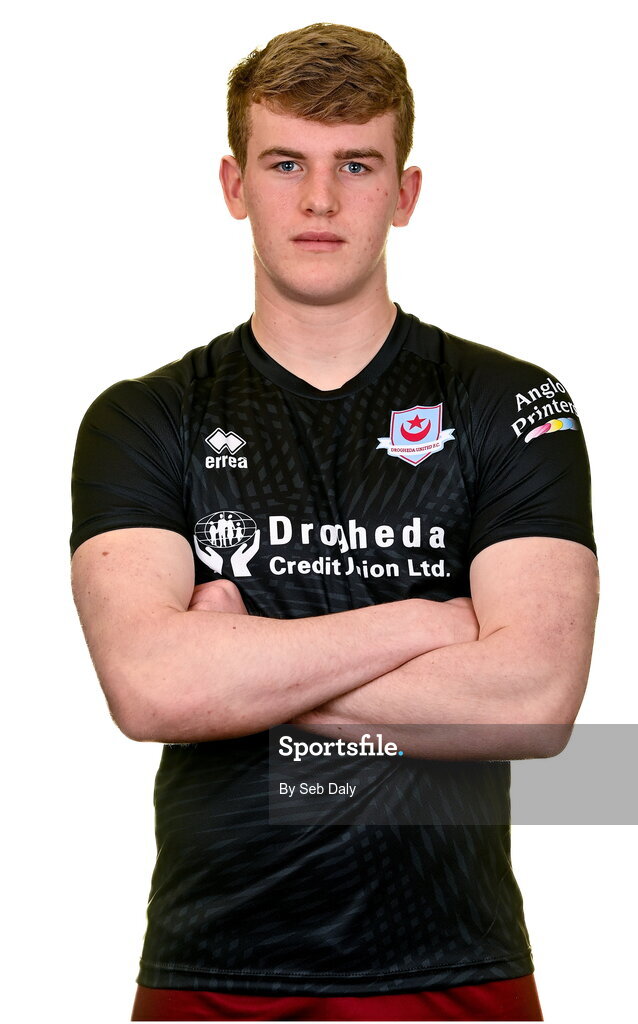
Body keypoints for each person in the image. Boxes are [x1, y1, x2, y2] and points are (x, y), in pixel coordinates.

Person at [70, 22, 598, 1023]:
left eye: (356, 164)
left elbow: (534, 698)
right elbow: (148, 687)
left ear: (403, 193)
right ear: (234, 186)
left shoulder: (514, 403)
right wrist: (426, 621)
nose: (319, 200)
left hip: (451, 961)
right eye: (285, 163)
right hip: (215, 970)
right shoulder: (144, 418)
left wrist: (232, 667)